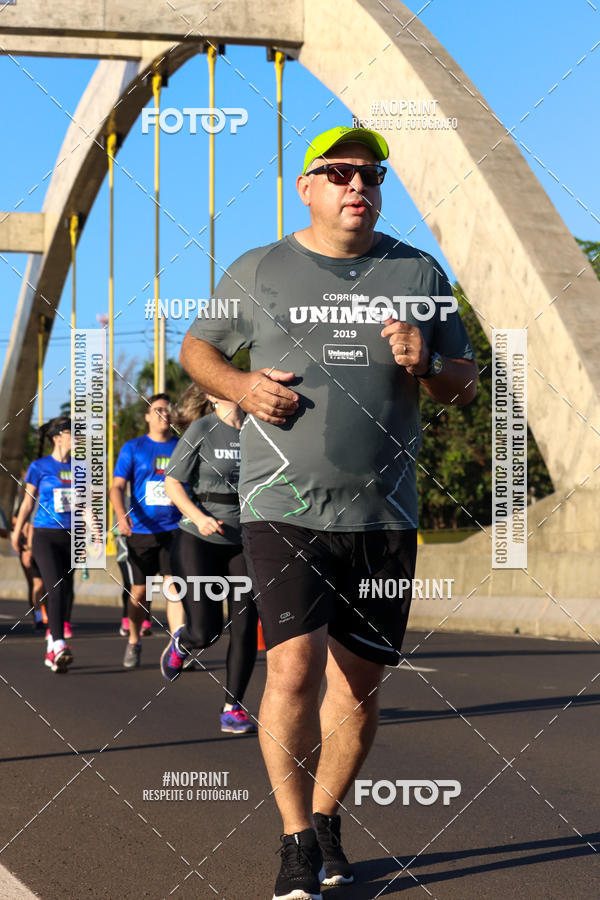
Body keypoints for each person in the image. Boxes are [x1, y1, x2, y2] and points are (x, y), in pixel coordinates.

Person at [180, 125, 478, 899]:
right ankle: (294, 843)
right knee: (293, 669)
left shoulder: (417, 271)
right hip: (281, 504)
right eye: (340, 172)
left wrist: (429, 362)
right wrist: (241, 387)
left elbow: (464, 383)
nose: (358, 186)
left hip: (383, 515)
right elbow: (197, 351)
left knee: (360, 689)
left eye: (371, 175)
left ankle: (325, 817)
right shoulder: (261, 268)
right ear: (307, 187)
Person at [161, 383, 258, 734]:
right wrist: (199, 517)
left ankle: (233, 708)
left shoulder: (258, 428)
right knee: (207, 632)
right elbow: (173, 483)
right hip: (198, 538)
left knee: (245, 627)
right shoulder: (202, 429)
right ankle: (184, 642)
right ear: (212, 395)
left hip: (245, 539)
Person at [109, 393, 184, 669]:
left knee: (175, 588)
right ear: (148, 416)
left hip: (174, 529)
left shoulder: (182, 446)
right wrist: (121, 516)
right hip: (140, 531)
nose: (165, 413)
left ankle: (177, 648)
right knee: (139, 592)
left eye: (169, 409)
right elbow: (116, 487)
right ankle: (133, 639)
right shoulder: (134, 448)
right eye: (159, 409)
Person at [11, 417, 75, 672]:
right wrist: (18, 533)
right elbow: (28, 503)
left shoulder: (80, 468)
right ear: (57, 437)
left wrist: (94, 531)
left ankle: (52, 648)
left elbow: (85, 504)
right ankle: (59, 644)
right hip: (44, 535)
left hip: (71, 537)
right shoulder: (40, 467)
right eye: (71, 432)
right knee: (55, 589)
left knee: (66, 593)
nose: (76, 437)